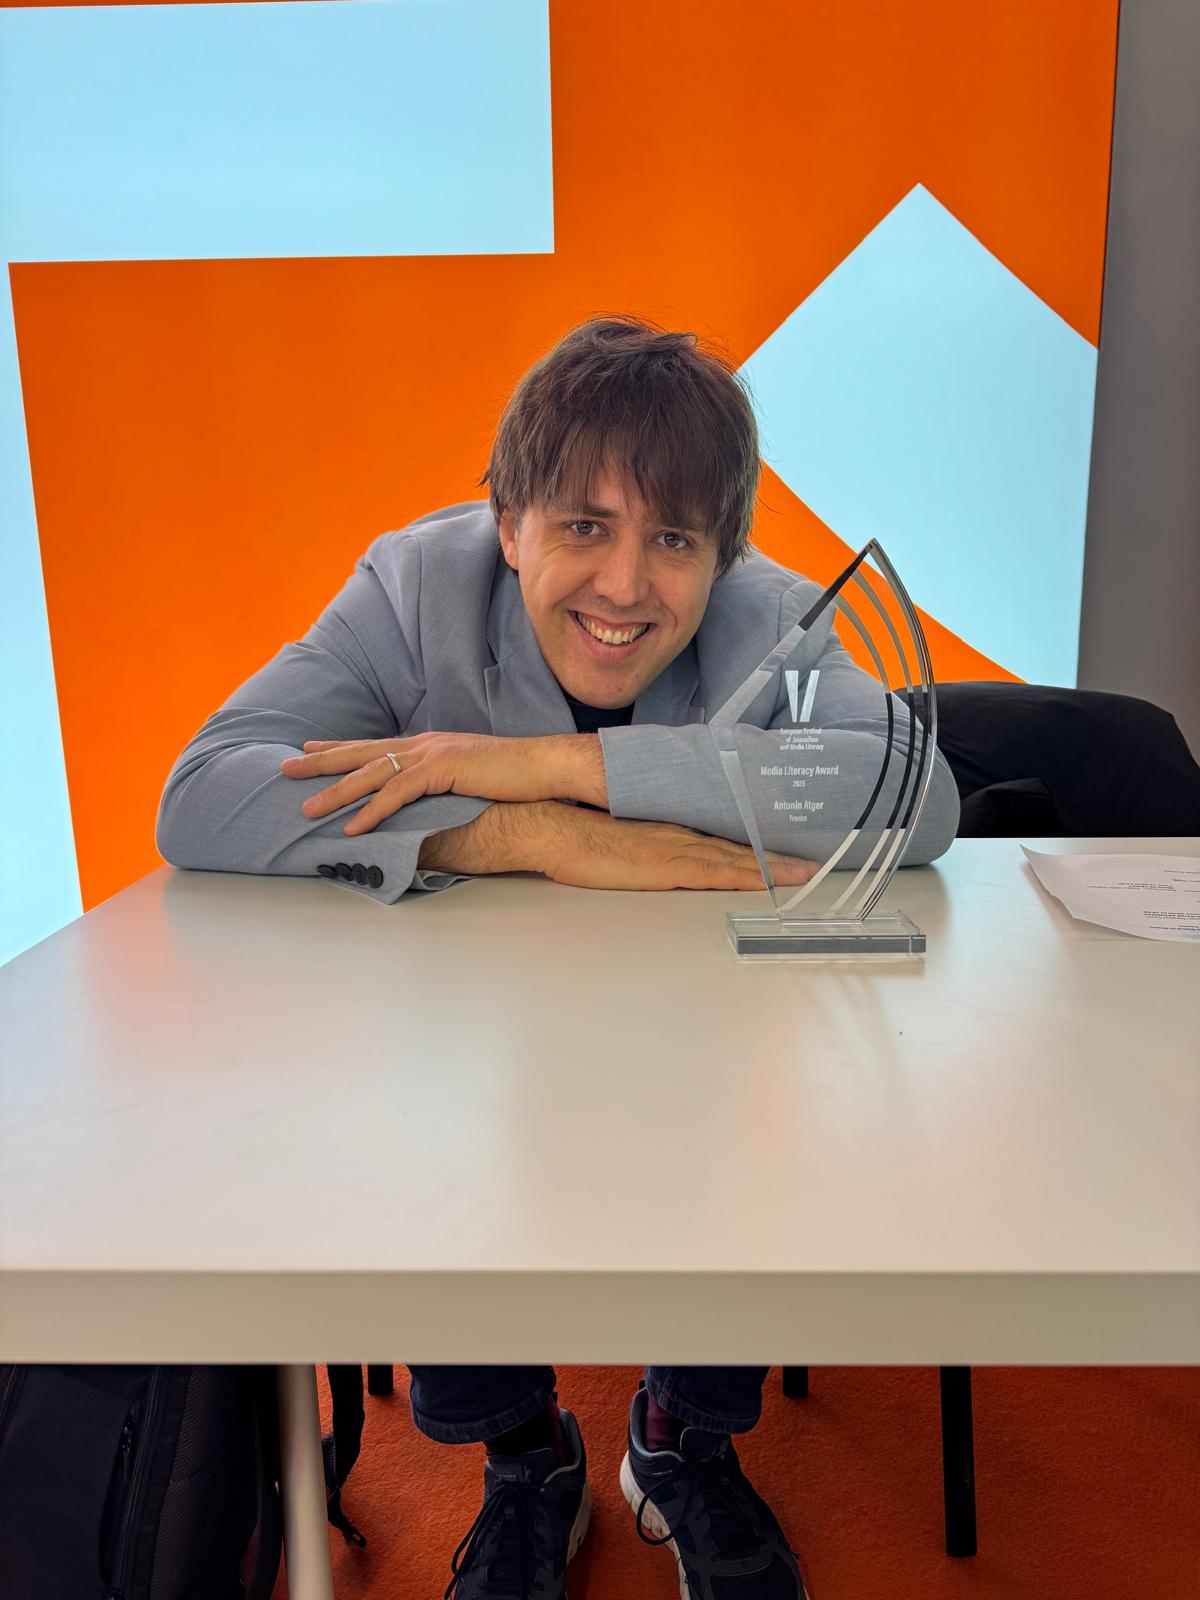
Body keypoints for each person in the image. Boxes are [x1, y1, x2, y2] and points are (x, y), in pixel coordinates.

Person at [157, 316, 960, 1598]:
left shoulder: (767, 614)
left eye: (675, 539)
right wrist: (519, 833)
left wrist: (549, 764)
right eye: (585, 524)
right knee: (427, 1132)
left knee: (764, 1122)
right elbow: (204, 794)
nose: (627, 584)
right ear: (509, 521)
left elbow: (917, 800)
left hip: (707, 1046)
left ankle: (679, 1439)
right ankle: (526, 1454)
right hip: (471, 1047)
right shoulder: (411, 588)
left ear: (722, 553)